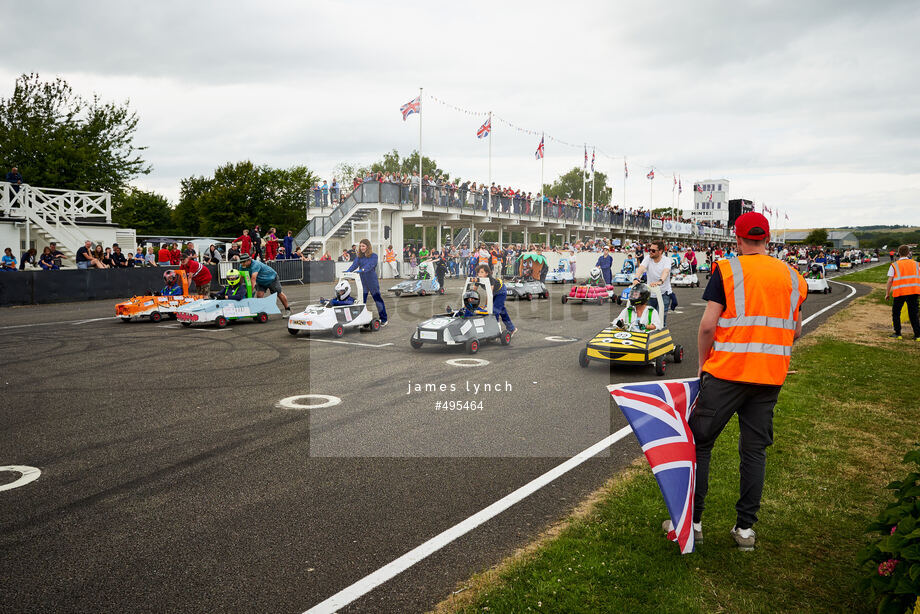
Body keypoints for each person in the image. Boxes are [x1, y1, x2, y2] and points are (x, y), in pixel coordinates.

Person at [686, 212, 807, 551]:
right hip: (769, 377)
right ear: (767, 239)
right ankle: (745, 530)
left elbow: (709, 325)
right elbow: (795, 330)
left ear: (737, 240)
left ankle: (694, 523)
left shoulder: (727, 269)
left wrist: (702, 364)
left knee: (700, 443)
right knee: (754, 451)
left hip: (726, 372)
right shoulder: (794, 277)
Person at [346, 238, 388, 326]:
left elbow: (371, 265)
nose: (361, 248)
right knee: (361, 301)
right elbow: (353, 265)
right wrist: (347, 272)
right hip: (363, 283)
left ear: (368, 246)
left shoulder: (374, 256)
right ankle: (360, 320)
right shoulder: (359, 257)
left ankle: (384, 319)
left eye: (363, 246)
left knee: (377, 300)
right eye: (360, 246)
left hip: (372, 282)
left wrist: (362, 270)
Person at [633, 240, 673, 325]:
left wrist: (660, 281)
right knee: (647, 318)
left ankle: (661, 336)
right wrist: (636, 278)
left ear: (661, 251)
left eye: (653, 250)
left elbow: (665, 271)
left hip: (664, 294)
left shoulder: (666, 260)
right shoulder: (648, 258)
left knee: (660, 320)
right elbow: (641, 268)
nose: (650, 252)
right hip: (651, 293)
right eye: (649, 250)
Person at [885, 244, 920, 340]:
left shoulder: (895, 265)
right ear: (909, 253)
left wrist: (887, 293)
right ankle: (917, 335)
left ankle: (898, 333)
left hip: (900, 292)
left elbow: (890, 280)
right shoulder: (916, 264)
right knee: (914, 313)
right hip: (913, 291)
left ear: (898, 253)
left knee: (896, 312)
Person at [475, 263, 515, 336]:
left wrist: (486, 305)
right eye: (478, 272)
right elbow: (474, 292)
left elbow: (490, 294)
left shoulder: (490, 280)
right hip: (493, 293)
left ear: (487, 273)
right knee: (502, 311)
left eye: (482, 272)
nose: (479, 274)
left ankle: (496, 332)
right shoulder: (477, 280)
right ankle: (511, 328)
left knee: (495, 311)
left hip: (501, 291)